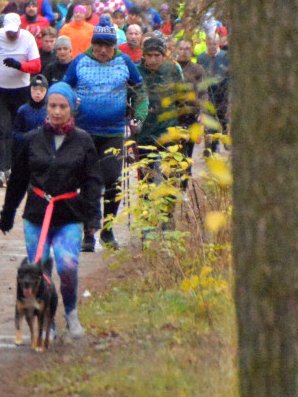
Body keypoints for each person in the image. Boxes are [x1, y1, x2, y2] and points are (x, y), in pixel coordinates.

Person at [0, 81, 102, 339]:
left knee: (67, 266)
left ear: (71, 109)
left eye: (62, 106)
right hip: (37, 216)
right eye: (52, 106)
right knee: (39, 272)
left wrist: (93, 217)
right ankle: (48, 322)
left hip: (69, 215)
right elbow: (18, 179)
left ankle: (71, 312)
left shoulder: (83, 141)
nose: (57, 111)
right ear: (46, 107)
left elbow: (92, 181)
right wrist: (7, 214)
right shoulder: (32, 140)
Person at [63, 16, 148, 252]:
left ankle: (108, 231)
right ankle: (88, 233)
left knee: (112, 181)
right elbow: (63, 87)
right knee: (87, 182)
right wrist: (70, 101)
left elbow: (140, 92)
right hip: (83, 133)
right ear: (92, 44)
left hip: (113, 133)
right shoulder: (80, 61)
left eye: (108, 46)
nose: (103, 50)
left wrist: (138, 117)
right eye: (99, 45)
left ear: (114, 46)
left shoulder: (125, 62)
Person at [0, 13, 41, 187]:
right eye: (8, 32)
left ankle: (15, 169)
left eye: (14, 32)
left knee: (17, 131)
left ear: (20, 28)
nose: (11, 35)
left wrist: (20, 65)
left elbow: (36, 66)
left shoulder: (27, 38)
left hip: (20, 90)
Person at [135, 38, 185, 209]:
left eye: (157, 55)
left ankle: (168, 214)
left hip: (168, 130)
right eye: (149, 55)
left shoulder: (172, 70)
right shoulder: (136, 71)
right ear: (144, 55)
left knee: (169, 176)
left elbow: (182, 98)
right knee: (146, 178)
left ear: (163, 55)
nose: (153, 59)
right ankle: (146, 214)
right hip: (145, 132)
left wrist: (184, 124)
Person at [12, 74, 49, 153]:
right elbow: (15, 134)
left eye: (42, 90)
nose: (38, 93)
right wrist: (28, 137)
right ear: (30, 89)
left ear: (46, 91)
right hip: (27, 149)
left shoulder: (50, 110)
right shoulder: (23, 110)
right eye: (35, 89)